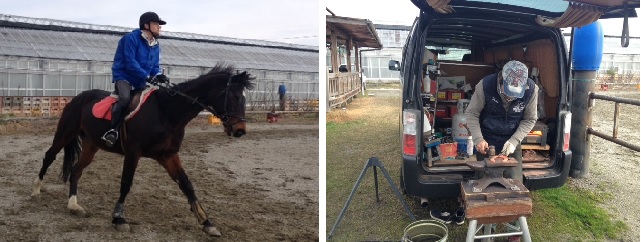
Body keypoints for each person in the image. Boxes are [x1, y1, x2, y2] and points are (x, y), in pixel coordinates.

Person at [465, 60, 537, 242]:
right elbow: (472, 113)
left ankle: (514, 230)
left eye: (516, 94)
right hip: (486, 138)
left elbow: (530, 119)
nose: (512, 98)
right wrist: (478, 139)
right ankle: (486, 228)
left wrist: (514, 141)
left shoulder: (531, 90)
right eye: (509, 92)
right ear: (501, 80)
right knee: (483, 188)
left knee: (515, 187)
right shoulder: (485, 86)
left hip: (512, 139)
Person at [101, 12, 170, 147]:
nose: (159, 27)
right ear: (146, 25)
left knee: (152, 100)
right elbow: (130, 62)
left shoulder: (155, 45)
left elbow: (154, 66)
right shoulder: (130, 39)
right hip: (124, 76)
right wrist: (147, 76)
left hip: (141, 80)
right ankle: (112, 130)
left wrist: (158, 74)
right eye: (156, 24)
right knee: (125, 98)